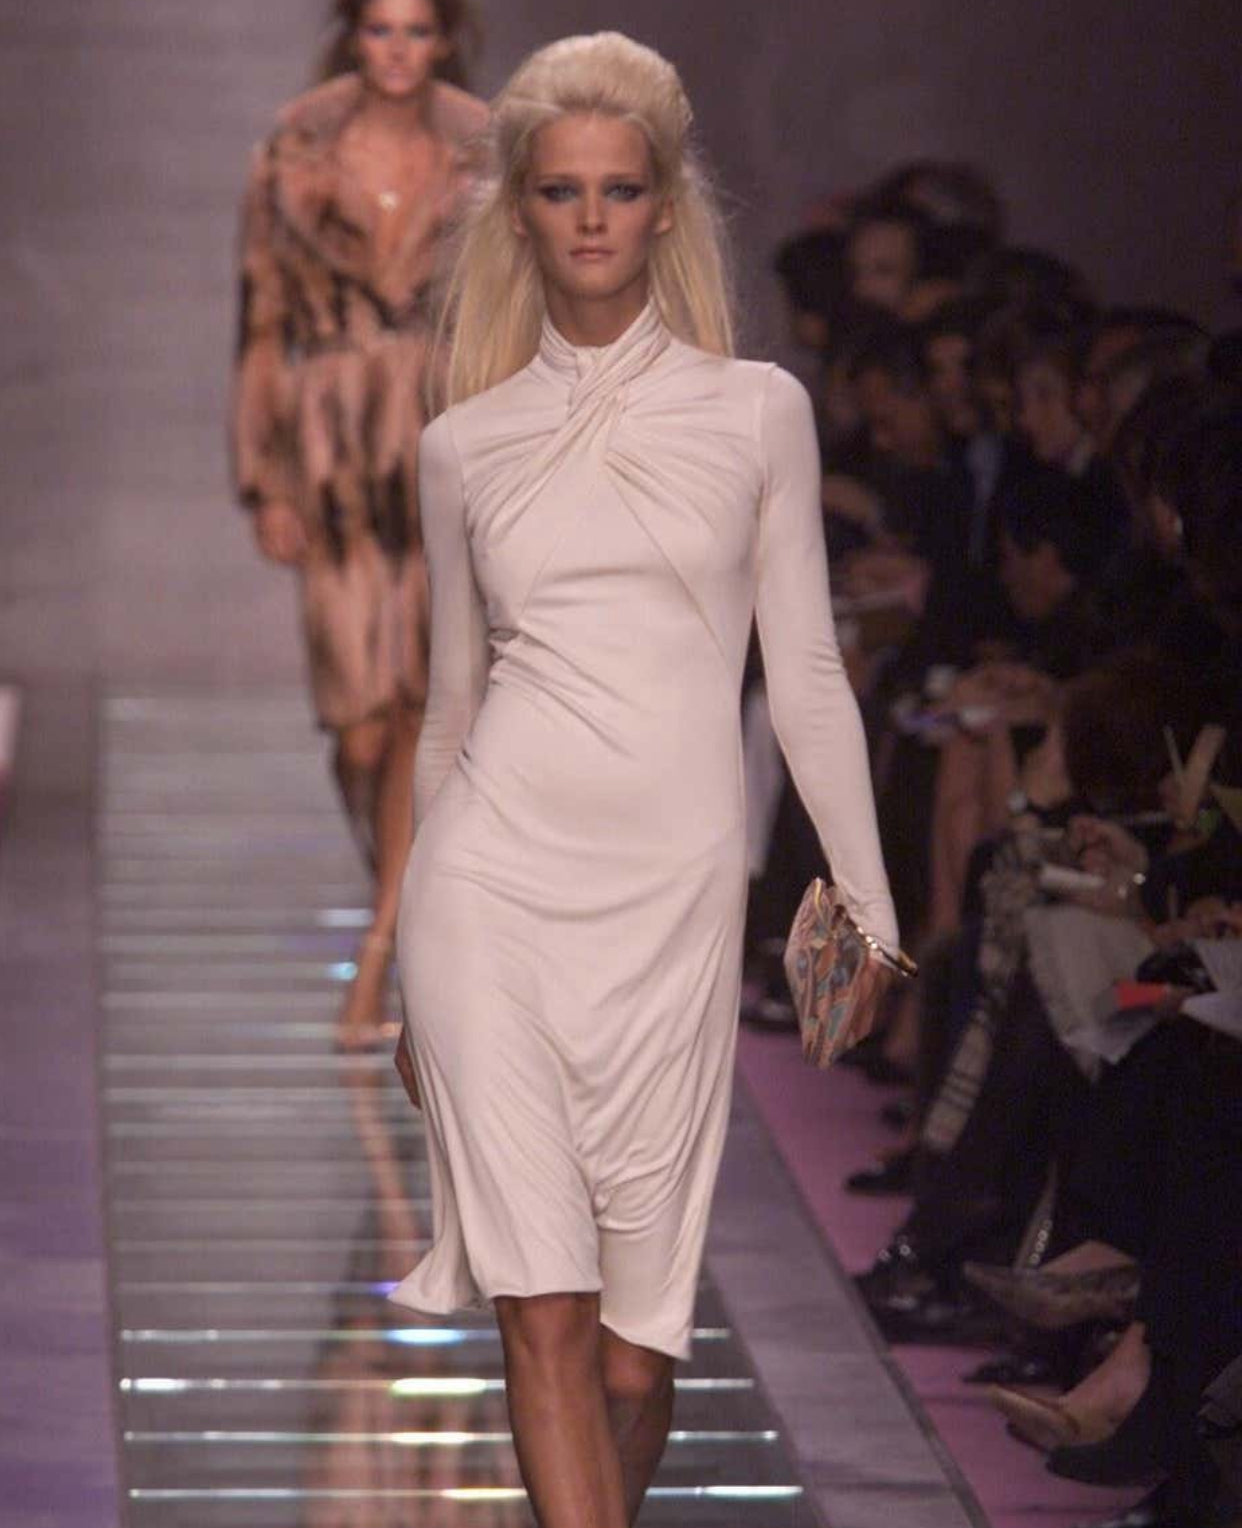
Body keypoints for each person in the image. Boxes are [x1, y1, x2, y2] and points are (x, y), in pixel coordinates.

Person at [389, 32, 900, 1527]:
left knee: (630, 1357)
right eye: (562, 191)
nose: (593, 218)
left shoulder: (759, 412)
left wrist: (869, 909)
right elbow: (447, 711)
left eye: (619, 189)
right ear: (522, 213)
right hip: (490, 888)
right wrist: (406, 952)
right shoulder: (461, 446)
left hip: (670, 904)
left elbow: (805, 675)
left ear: (665, 206)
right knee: (541, 1310)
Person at [231, 0, 487, 1050]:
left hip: (439, 432)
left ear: (446, 38)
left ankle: (386, 946)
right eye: (381, 29)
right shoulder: (293, 152)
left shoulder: (485, 152)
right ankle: (405, 899)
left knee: (422, 703)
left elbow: (505, 312)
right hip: (332, 448)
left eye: (417, 31)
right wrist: (265, 478)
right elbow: (259, 321)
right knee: (359, 725)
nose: (398, 51)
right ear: (352, 35)